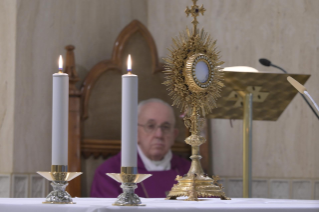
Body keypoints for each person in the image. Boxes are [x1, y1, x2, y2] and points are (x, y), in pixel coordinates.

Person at [91, 98, 191, 198]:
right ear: (135, 132)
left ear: (174, 135)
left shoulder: (190, 171)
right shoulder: (110, 173)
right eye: (151, 126)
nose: (159, 134)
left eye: (166, 127)